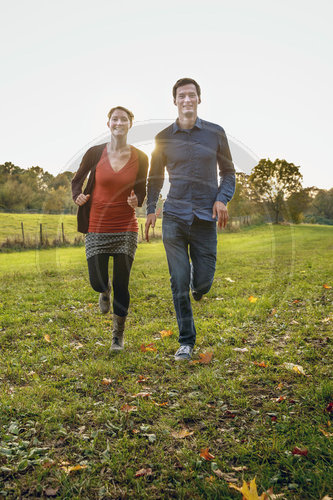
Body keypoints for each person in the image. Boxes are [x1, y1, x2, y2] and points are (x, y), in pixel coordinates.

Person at [145, 78, 235, 361]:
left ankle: (199, 286)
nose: (187, 100)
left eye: (191, 95)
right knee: (178, 280)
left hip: (206, 218)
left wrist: (222, 198)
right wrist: (150, 209)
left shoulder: (215, 133)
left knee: (203, 282)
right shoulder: (162, 138)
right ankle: (186, 341)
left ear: (199, 99)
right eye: (181, 96)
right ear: (174, 101)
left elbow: (229, 173)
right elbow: (155, 177)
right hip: (174, 217)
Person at [72, 106, 148, 351]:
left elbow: (142, 189)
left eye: (123, 119)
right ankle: (103, 291)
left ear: (130, 124)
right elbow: (77, 180)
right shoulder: (95, 153)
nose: (119, 123)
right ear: (108, 124)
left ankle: (118, 336)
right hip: (96, 226)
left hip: (125, 226)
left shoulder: (141, 157)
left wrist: (138, 200)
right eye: (114, 119)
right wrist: (78, 196)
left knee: (123, 283)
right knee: (97, 281)